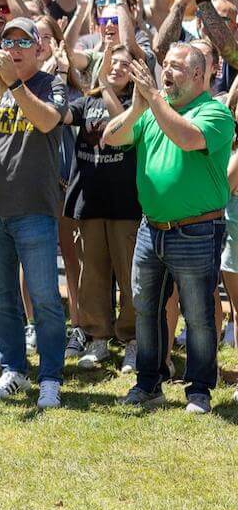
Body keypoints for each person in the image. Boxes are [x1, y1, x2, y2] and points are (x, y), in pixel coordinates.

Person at [105, 35, 233, 414]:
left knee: (198, 316)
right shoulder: (151, 111)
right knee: (146, 309)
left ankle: (198, 391)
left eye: (175, 67)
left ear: (198, 73)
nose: (165, 73)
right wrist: (138, 106)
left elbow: (187, 138)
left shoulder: (215, 113)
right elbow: (112, 138)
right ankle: (148, 384)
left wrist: (155, 101)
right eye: (166, 67)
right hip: (152, 229)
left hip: (197, 230)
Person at [0, 17, 69, 409]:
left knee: (43, 298)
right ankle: (14, 370)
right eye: (9, 41)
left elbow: (47, 120)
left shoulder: (50, 84)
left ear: (39, 49)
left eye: (24, 41)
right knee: (0, 296)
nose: (16, 48)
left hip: (34, 210)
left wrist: (17, 86)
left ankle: (51, 378)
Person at [63, 45, 141, 371]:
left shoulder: (137, 104)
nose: (117, 67)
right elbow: (64, 115)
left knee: (129, 276)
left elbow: (122, 127)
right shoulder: (87, 101)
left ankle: (134, 340)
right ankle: (98, 338)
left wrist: (106, 87)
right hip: (90, 201)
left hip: (126, 204)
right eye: (113, 62)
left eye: (125, 64)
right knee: (92, 274)